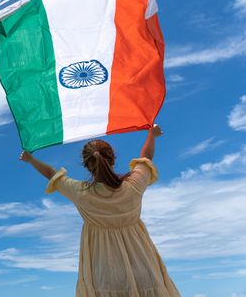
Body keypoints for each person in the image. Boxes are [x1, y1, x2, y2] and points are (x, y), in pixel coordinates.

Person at [20, 125, 180, 297]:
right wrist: (152, 135)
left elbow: (51, 173)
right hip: (145, 270)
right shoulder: (134, 186)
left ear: (86, 164)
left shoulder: (81, 193)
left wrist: (31, 160)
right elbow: (146, 157)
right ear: (112, 158)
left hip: (104, 278)